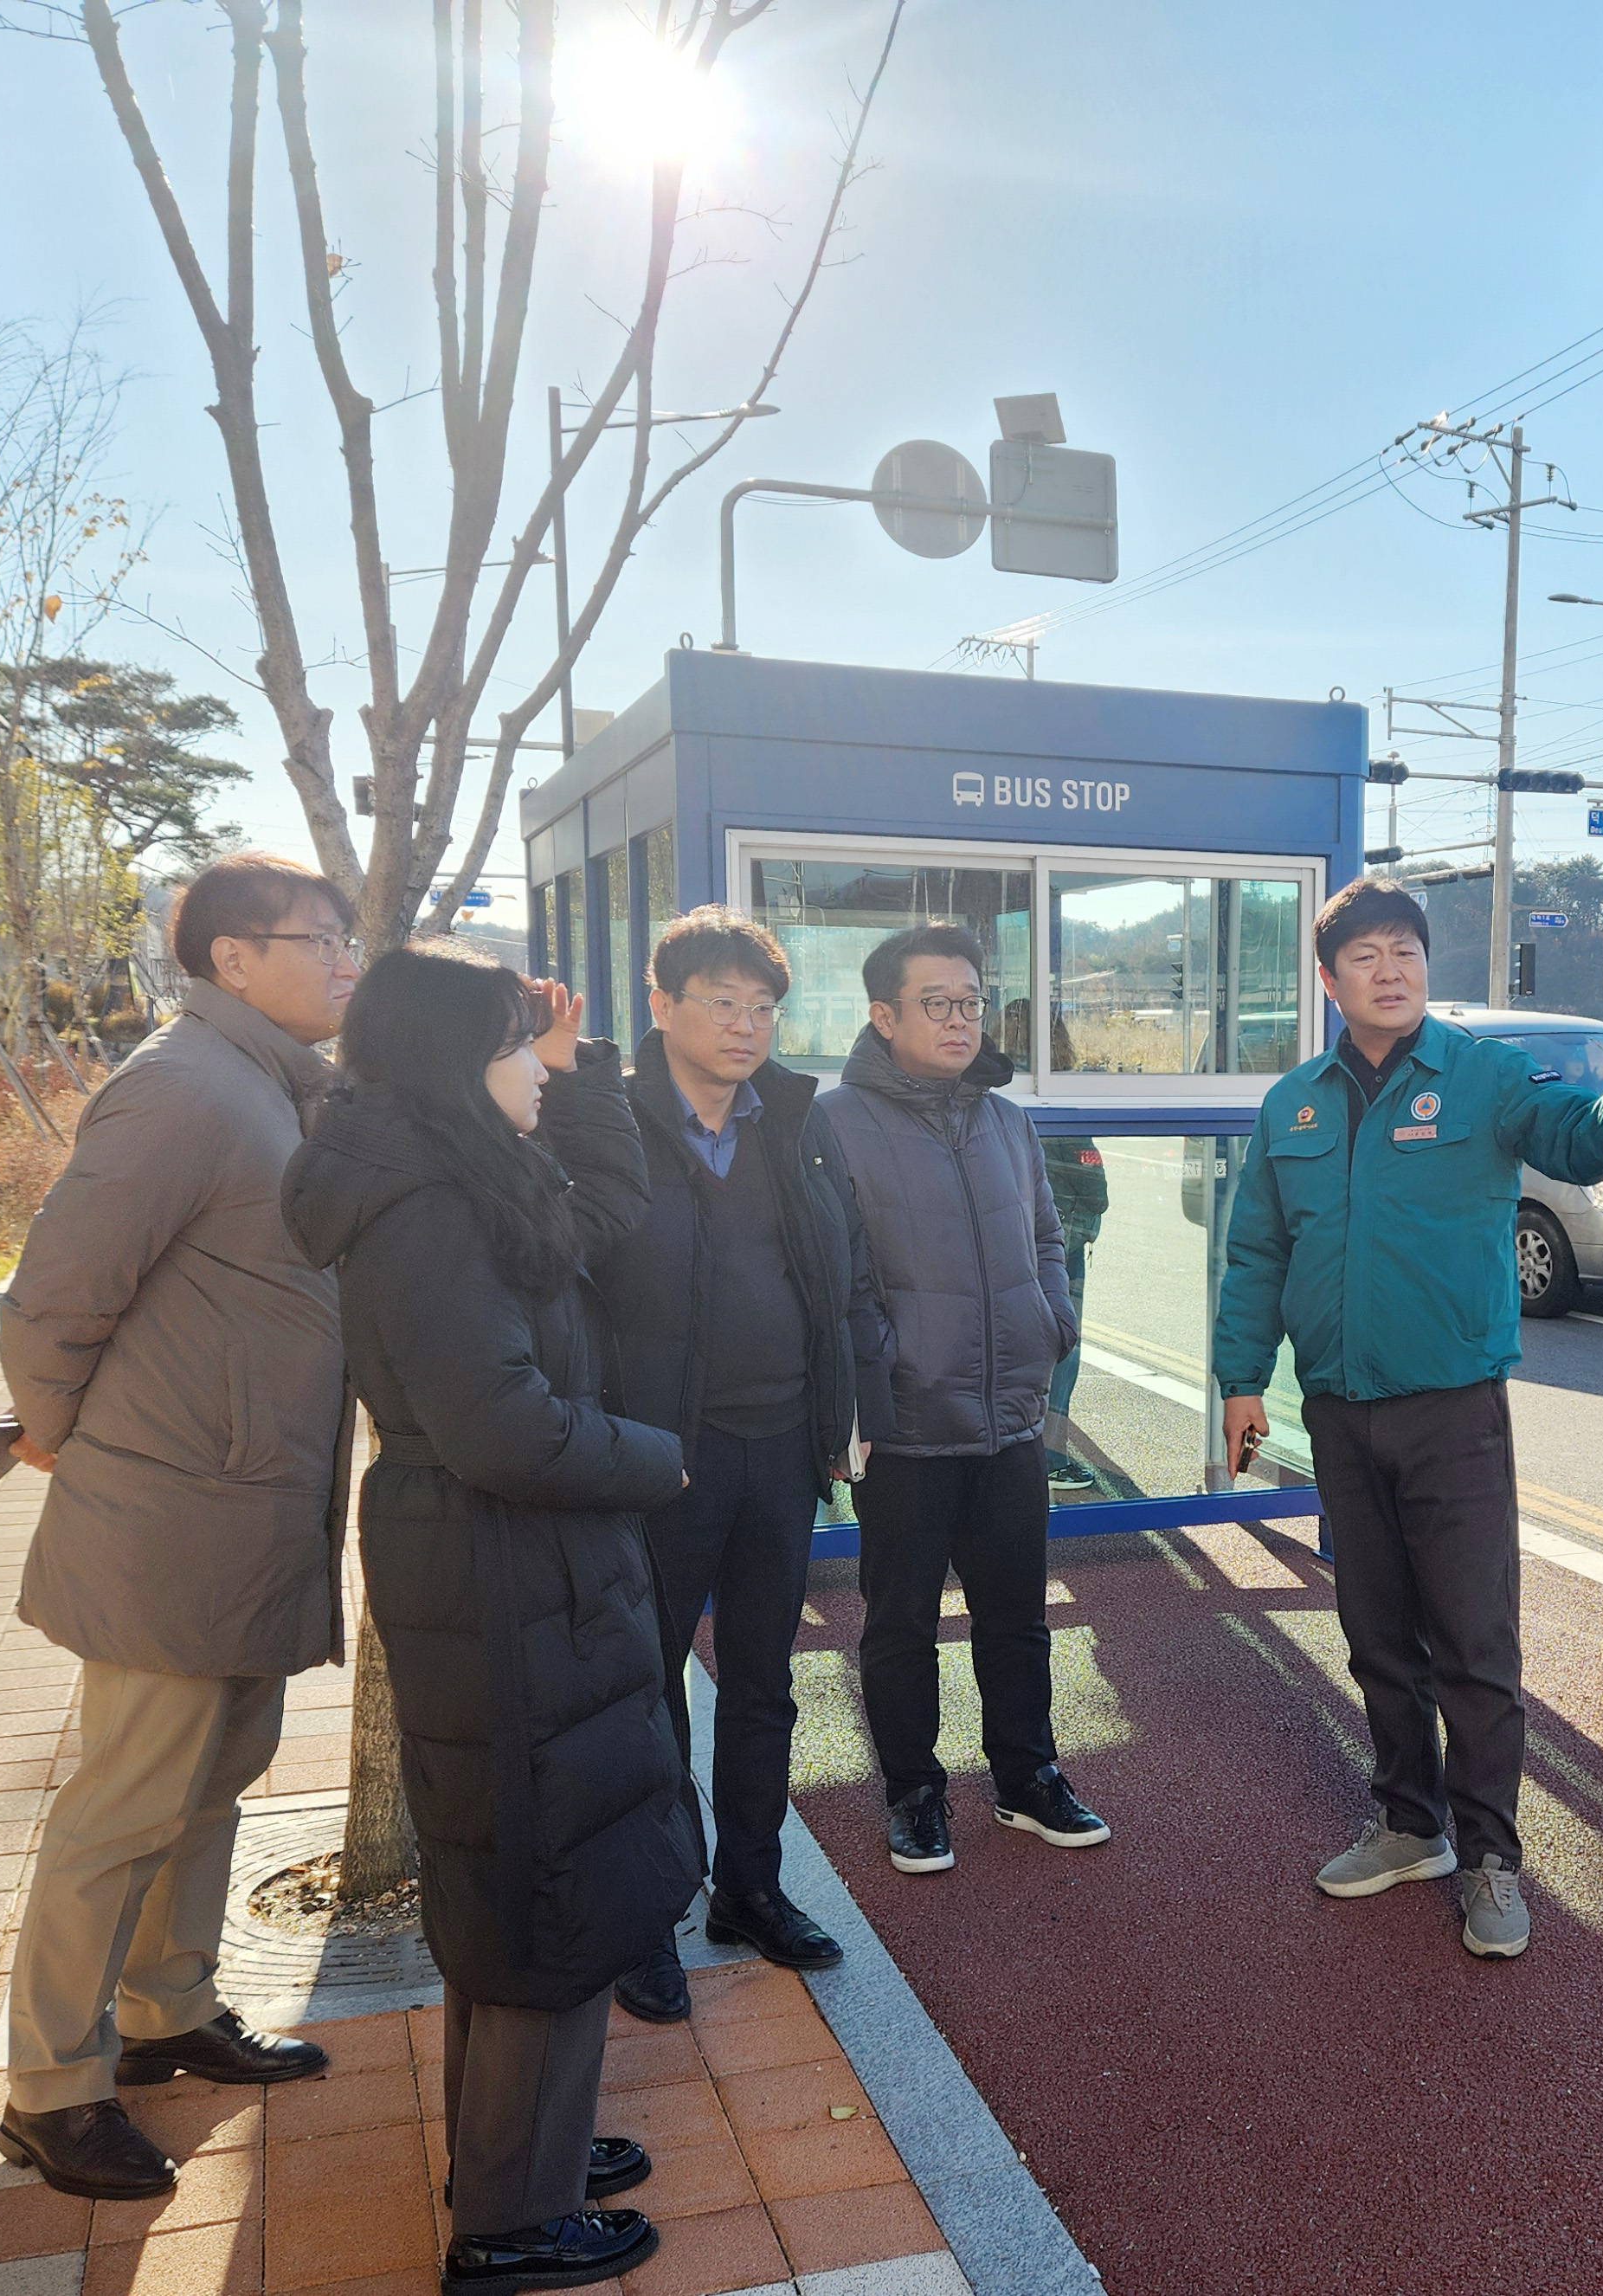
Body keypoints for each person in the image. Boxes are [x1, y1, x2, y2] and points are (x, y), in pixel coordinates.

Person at [284, 946, 692, 2292]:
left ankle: (518, 2157)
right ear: (463, 1064)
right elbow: (500, 1426)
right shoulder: (430, 1208)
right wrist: (655, 1459)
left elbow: (603, 1216)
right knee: (542, 1878)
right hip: (503, 1562)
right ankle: (513, 2219)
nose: (536, 1066)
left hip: (513, 1565)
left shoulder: (456, 1173)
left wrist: (576, 1078)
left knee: (531, 1864)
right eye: (519, 1048)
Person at [1211, 878, 1603, 1959]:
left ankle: (1488, 1856)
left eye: (1406, 953)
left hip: (1453, 1410)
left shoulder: (1479, 1076)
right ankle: (1405, 1824)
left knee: (1474, 1646)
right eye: (1366, 958)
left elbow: (1576, 1138)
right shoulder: (1291, 1103)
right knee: (1378, 1639)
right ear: (1328, 977)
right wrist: (1240, 1378)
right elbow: (1258, 1252)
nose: (1390, 972)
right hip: (1339, 1409)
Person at [0, 854, 359, 2202]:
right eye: (316, 940)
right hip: (172, 1513)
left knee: (214, 1777)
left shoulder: (271, 1088)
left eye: (344, 939)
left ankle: (164, 2008)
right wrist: (52, 1429)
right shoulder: (182, 1088)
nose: (342, 961)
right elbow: (54, 1294)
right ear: (230, 960)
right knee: (122, 1804)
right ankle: (50, 2088)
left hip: (249, 1511)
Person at [594, 909, 892, 2020]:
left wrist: (851, 1411)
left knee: (764, 1685)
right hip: (659, 1457)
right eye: (719, 1002)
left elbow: (845, 1276)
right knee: (645, 1691)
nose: (746, 1024)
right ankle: (651, 1910)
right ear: (661, 1006)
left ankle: (749, 1889)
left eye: (762, 1006)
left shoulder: (793, 1128)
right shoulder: (608, 1124)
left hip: (782, 1448)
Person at [820, 923, 1108, 1877]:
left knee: (1016, 1615)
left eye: (971, 1001)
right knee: (899, 1623)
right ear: (883, 1014)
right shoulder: (835, 1123)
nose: (959, 1020)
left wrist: (1050, 1323)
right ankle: (913, 1792)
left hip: (1010, 1419)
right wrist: (878, 1376)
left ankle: (1027, 1778)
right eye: (937, 1003)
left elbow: (1047, 1237)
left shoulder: (1006, 1119)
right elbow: (833, 1277)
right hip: (906, 1426)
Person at [1005, 1000, 1109, 1492]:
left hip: (1004, 1247)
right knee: (1062, 1348)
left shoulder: (990, 1102)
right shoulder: (1060, 1103)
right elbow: (1093, 1184)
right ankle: (1051, 1453)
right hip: (1058, 1246)